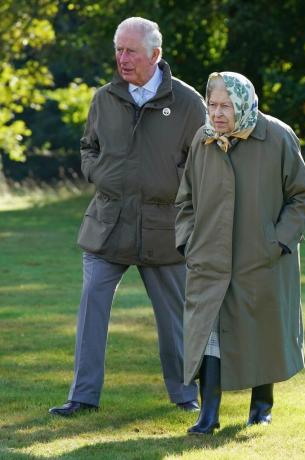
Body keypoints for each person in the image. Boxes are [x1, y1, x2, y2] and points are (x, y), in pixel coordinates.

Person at [49, 17, 206, 417]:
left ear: (155, 55)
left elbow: (203, 164)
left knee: (175, 322)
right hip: (107, 224)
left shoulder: (188, 103)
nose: (122, 58)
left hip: (163, 229)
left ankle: (185, 395)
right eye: (118, 49)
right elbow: (88, 146)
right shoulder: (104, 98)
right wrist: (97, 172)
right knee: (91, 312)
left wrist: (176, 188)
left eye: (130, 51)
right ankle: (82, 397)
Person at [175, 71, 305, 434]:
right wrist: (188, 240)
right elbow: (186, 198)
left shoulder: (278, 137)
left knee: (261, 330)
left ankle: (261, 406)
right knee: (208, 331)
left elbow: (303, 198)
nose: (218, 113)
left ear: (243, 103)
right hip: (209, 257)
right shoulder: (203, 138)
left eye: (226, 105)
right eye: (212, 104)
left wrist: (278, 242)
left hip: (261, 258)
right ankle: (208, 413)